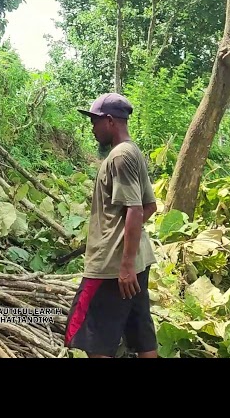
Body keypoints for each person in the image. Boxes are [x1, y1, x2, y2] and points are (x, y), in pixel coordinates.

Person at [64, 92, 158, 358]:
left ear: (109, 121)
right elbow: (149, 206)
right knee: (143, 339)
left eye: (94, 122)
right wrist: (127, 247)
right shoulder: (133, 152)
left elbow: (136, 209)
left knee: (94, 341)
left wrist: (123, 262)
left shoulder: (119, 157)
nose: (92, 128)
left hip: (112, 269)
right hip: (136, 262)